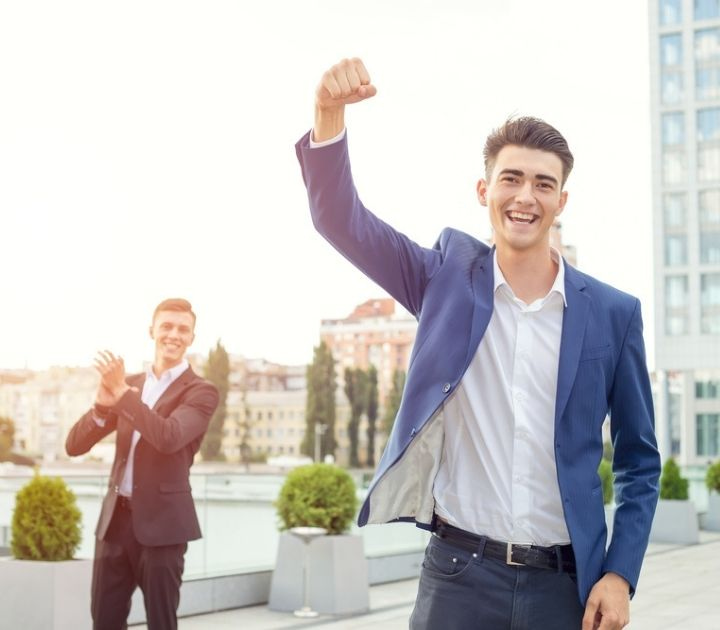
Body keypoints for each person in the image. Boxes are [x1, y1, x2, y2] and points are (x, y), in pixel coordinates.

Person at [295, 58, 660, 630]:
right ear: (483, 189)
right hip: (457, 579)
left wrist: (620, 572)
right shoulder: (444, 280)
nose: (525, 196)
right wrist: (327, 113)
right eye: (511, 178)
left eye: (544, 183)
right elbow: (341, 219)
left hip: (565, 586)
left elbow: (640, 461)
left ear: (561, 200)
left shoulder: (615, 314)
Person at [66, 298, 219, 630]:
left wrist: (122, 394)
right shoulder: (130, 385)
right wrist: (100, 408)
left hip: (163, 529)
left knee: (161, 624)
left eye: (183, 329)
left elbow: (168, 437)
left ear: (192, 337)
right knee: (104, 622)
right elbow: (74, 446)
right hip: (114, 525)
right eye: (166, 326)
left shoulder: (202, 392)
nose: (174, 335)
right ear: (152, 331)